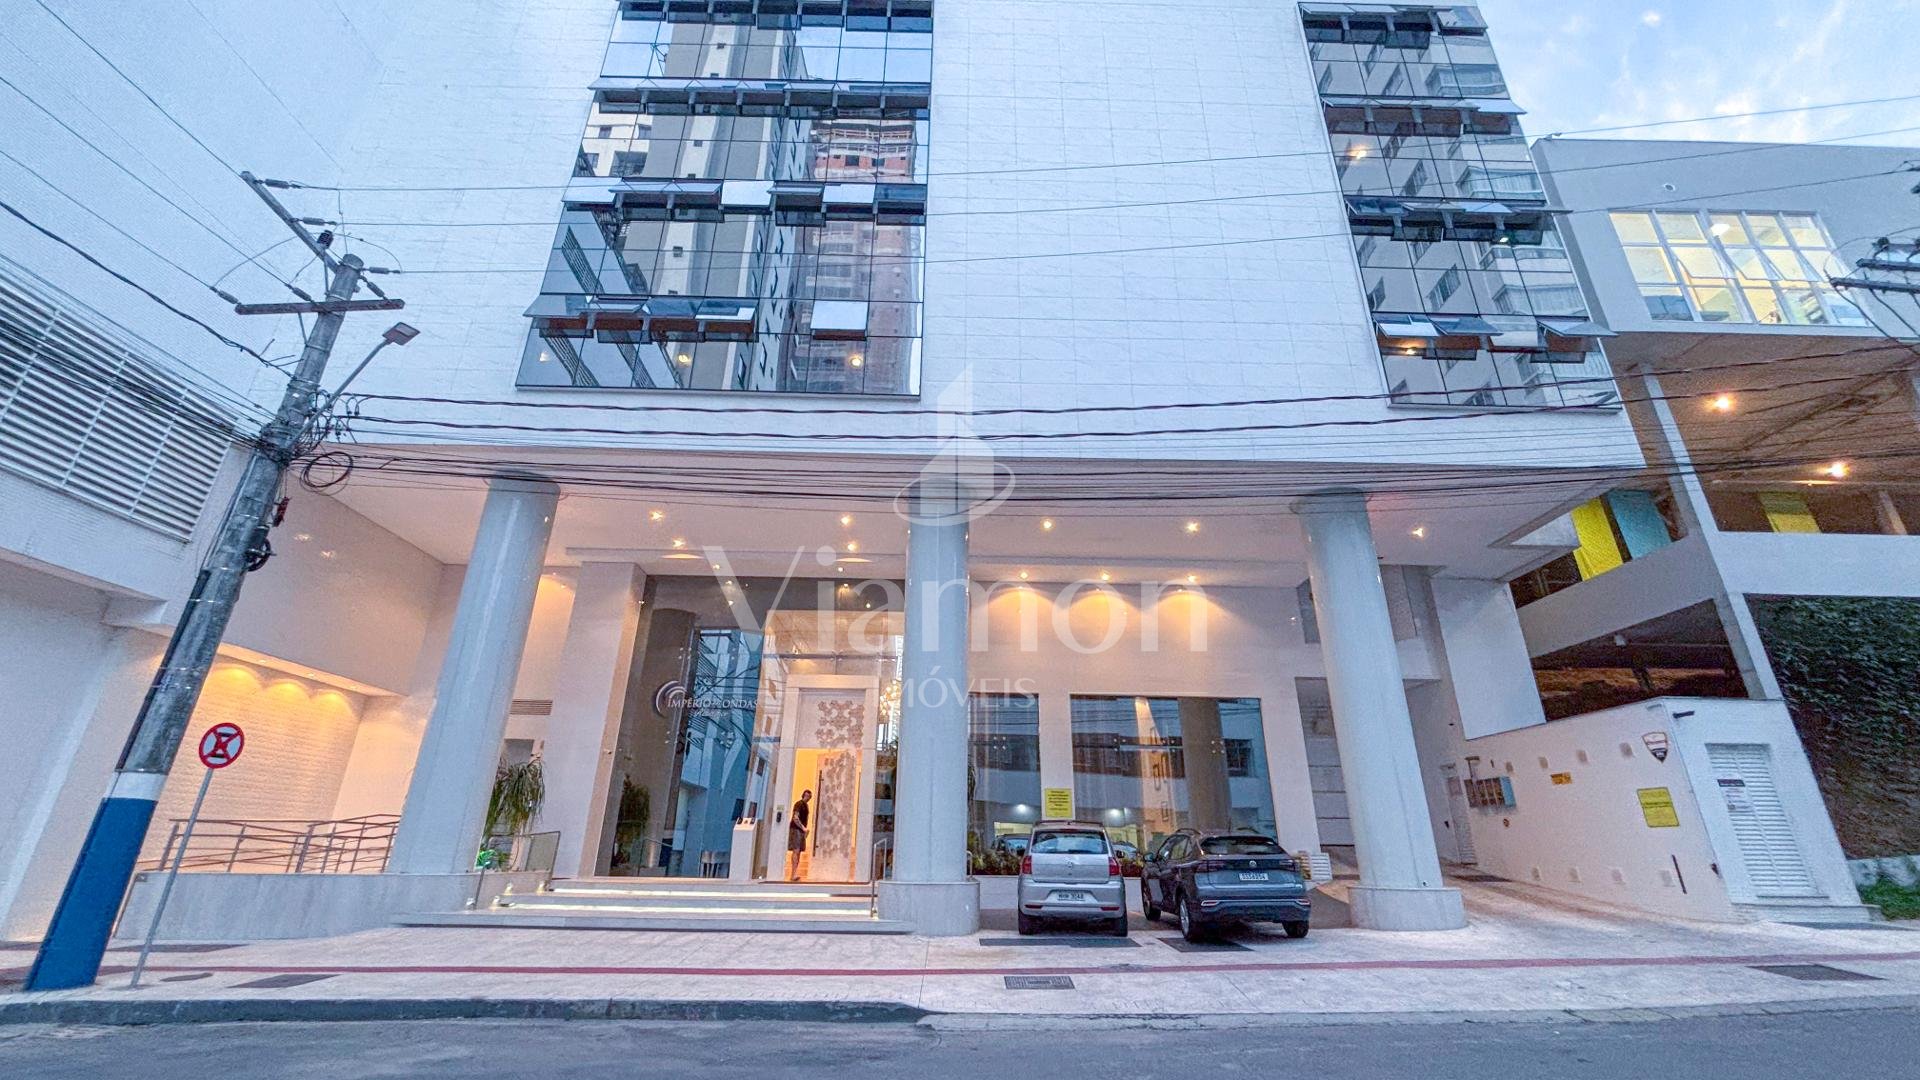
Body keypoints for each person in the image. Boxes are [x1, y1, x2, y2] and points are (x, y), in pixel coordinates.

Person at [785, 789, 813, 881]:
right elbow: (795, 818)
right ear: (803, 795)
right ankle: (793, 874)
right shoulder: (799, 804)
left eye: (809, 797)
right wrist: (803, 828)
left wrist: (804, 830)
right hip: (796, 829)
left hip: (801, 830)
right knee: (796, 850)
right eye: (807, 796)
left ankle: (794, 873)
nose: (808, 798)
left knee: (799, 851)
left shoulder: (806, 806)